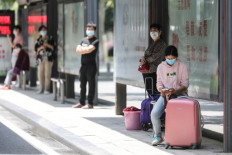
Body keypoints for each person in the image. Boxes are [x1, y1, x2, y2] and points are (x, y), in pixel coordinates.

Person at [150, 45, 189, 146]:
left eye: (172, 59)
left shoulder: (182, 66)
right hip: (165, 95)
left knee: (174, 114)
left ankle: (177, 136)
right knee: (154, 114)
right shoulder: (160, 67)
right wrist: (161, 90)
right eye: (168, 58)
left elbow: (185, 85)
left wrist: (175, 91)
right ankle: (158, 136)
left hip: (180, 95)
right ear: (165, 57)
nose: (170, 60)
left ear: (176, 57)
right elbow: (159, 84)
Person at [72, 22, 99, 109]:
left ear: (94, 30)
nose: (89, 30)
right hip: (83, 66)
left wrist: (83, 49)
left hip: (91, 66)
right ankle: (81, 102)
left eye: (91, 29)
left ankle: (90, 103)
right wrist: (85, 49)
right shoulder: (83, 40)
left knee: (91, 85)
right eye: (88, 29)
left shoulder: (95, 41)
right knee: (82, 84)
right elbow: (77, 49)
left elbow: (89, 50)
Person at [140, 23, 166, 95]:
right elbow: (146, 55)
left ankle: (156, 106)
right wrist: (142, 59)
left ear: (160, 32)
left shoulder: (161, 44)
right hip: (147, 71)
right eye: (151, 31)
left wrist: (145, 60)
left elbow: (155, 56)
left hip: (155, 71)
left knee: (155, 92)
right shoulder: (152, 43)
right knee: (149, 92)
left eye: (155, 30)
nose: (152, 32)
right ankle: (151, 106)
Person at [35, 25, 55, 94]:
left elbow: (53, 47)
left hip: (48, 58)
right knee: (40, 74)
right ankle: (41, 88)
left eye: (44, 30)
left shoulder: (50, 38)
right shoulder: (38, 39)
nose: (43, 31)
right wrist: (41, 47)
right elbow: (36, 49)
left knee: (47, 74)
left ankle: (47, 89)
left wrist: (47, 45)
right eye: (42, 30)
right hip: (40, 59)